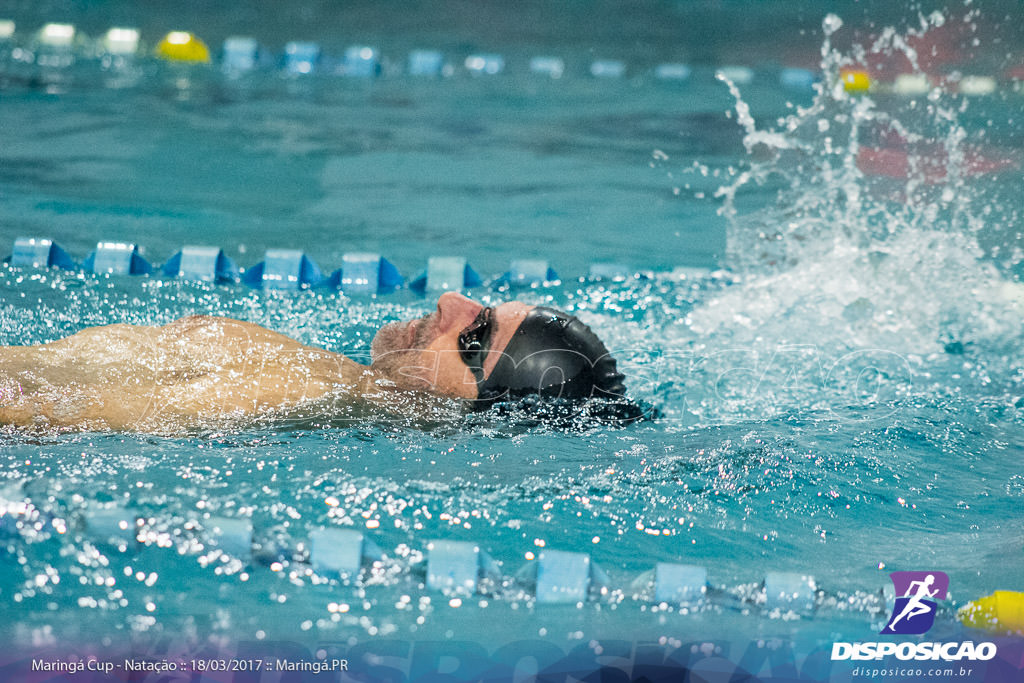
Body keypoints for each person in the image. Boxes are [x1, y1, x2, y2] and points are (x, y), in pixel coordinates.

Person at [0, 293, 636, 432]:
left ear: (464, 406)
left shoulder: (290, 392)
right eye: (480, 305)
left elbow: (44, 415)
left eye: (473, 340)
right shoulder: (320, 374)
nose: (450, 302)